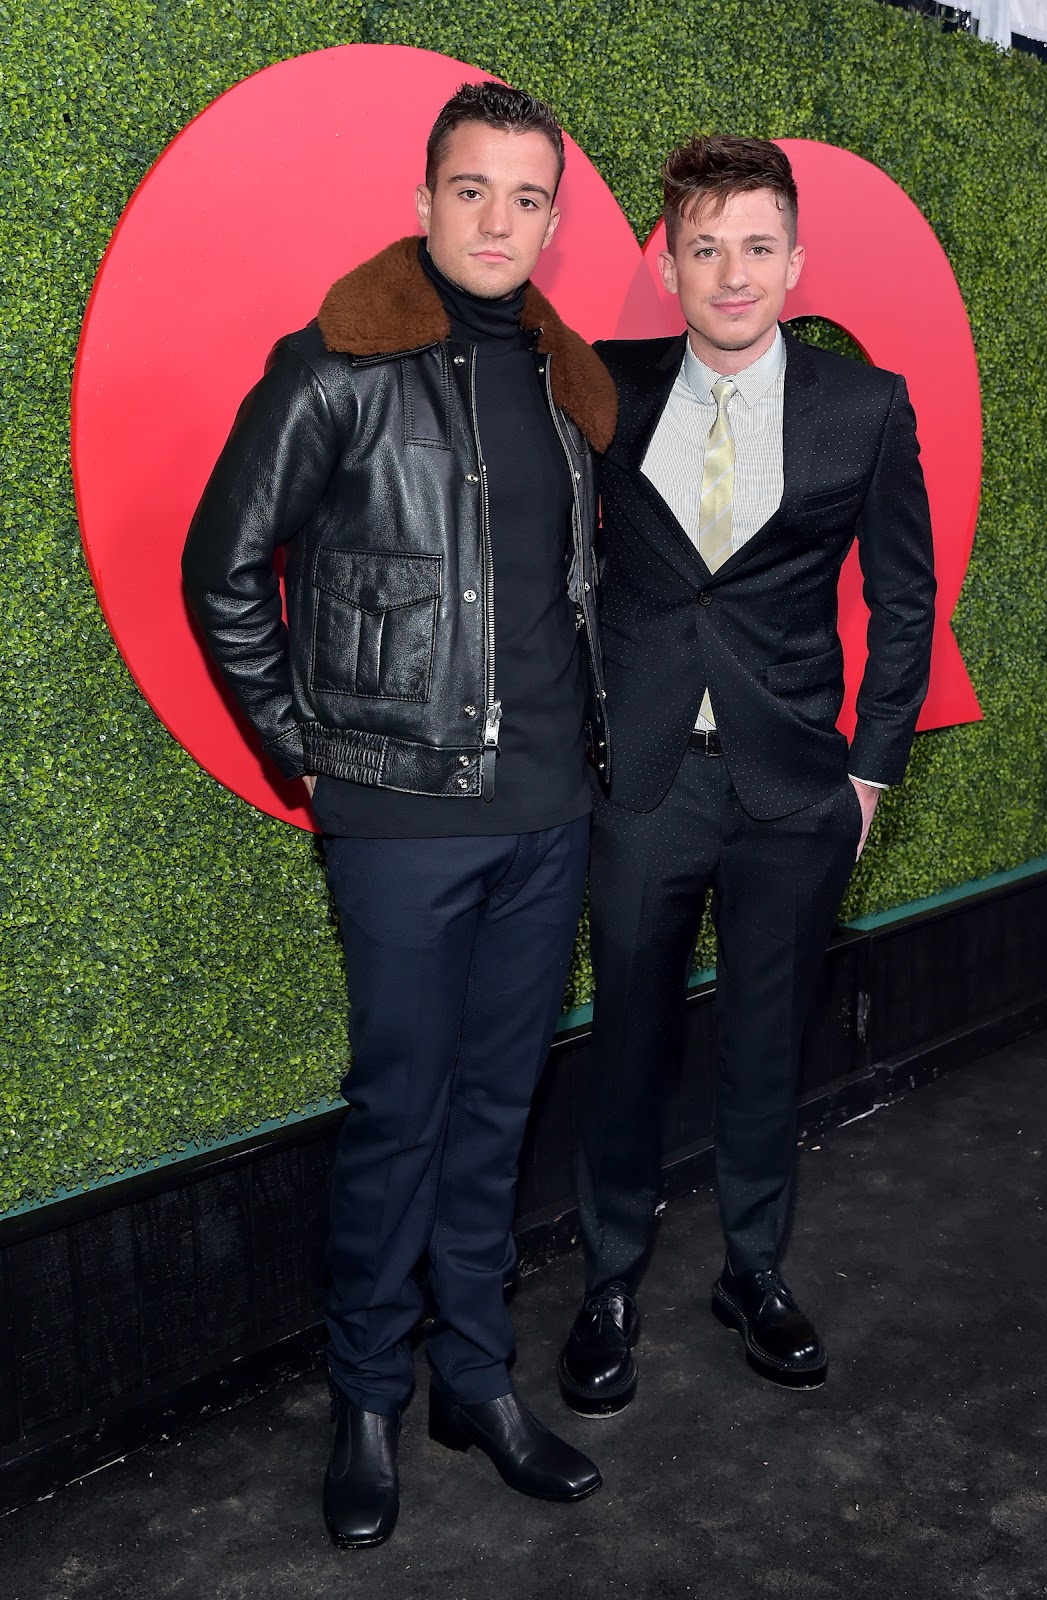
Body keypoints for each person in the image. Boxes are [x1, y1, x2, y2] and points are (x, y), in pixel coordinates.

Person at [183, 81, 617, 1548]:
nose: (498, 219)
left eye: (526, 197)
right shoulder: (336, 368)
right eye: (471, 189)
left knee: (497, 1113)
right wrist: (307, 754)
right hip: (400, 822)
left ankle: (473, 1381)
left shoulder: (565, 382)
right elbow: (222, 566)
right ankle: (366, 1397)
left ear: (551, 220)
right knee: (400, 1114)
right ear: (424, 199)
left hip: (549, 816)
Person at [557, 135, 935, 1415]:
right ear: (667, 265)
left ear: (795, 260)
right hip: (643, 783)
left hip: (791, 789)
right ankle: (609, 1282)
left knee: (768, 1043)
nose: (732, 273)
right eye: (705, 248)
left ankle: (754, 1270)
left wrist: (867, 776)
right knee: (628, 1040)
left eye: (756, 247)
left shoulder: (863, 405)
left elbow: (904, 598)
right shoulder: (604, 386)